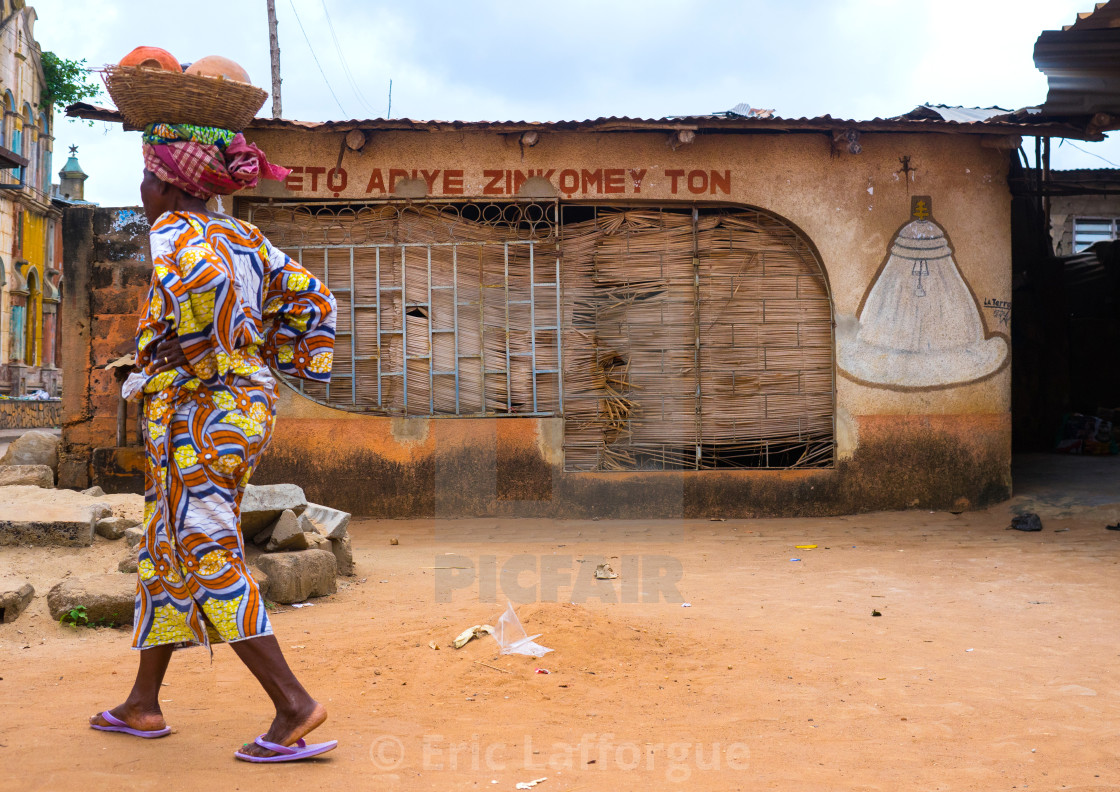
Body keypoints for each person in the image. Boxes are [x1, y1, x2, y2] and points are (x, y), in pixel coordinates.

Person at [88, 121, 339, 763]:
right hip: (237, 404)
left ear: (167, 185)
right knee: (166, 544)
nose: (141, 190)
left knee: (201, 539)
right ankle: (143, 703)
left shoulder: (174, 231)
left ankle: (293, 704)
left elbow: (201, 285)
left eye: (146, 178)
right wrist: (272, 360)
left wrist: (202, 354)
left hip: (202, 411)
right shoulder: (243, 234)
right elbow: (314, 301)